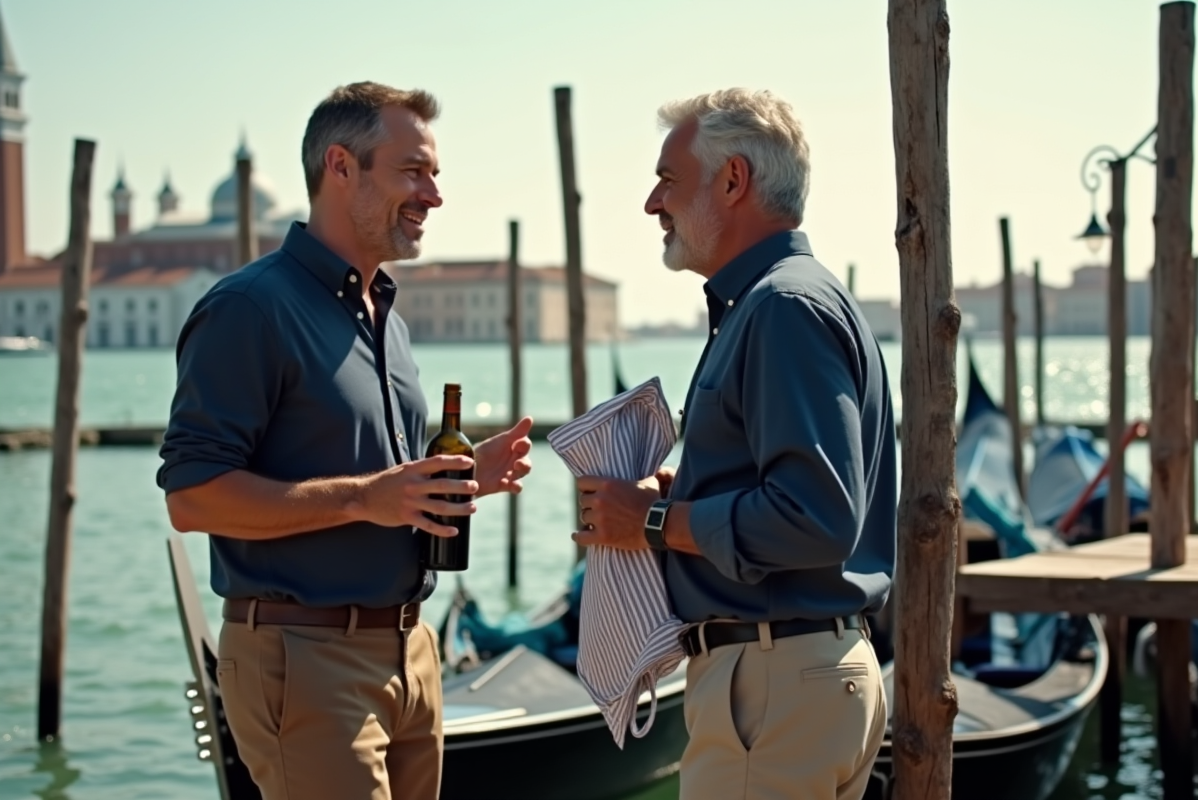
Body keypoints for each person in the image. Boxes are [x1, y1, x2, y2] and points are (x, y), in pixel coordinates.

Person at [156, 82, 534, 800]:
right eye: (412, 171)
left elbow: (382, 486)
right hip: (306, 661)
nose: (433, 195)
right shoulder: (248, 309)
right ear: (340, 167)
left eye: (435, 175)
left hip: (413, 654)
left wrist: (455, 479)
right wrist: (367, 497)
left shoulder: (385, 313)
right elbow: (193, 496)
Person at [573, 88, 896, 800]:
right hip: (800, 679)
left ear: (732, 180)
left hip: (774, 685)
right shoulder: (788, 301)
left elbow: (816, 517)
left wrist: (653, 522)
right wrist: (681, 498)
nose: (652, 204)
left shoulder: (781, 309)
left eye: (667, 180)